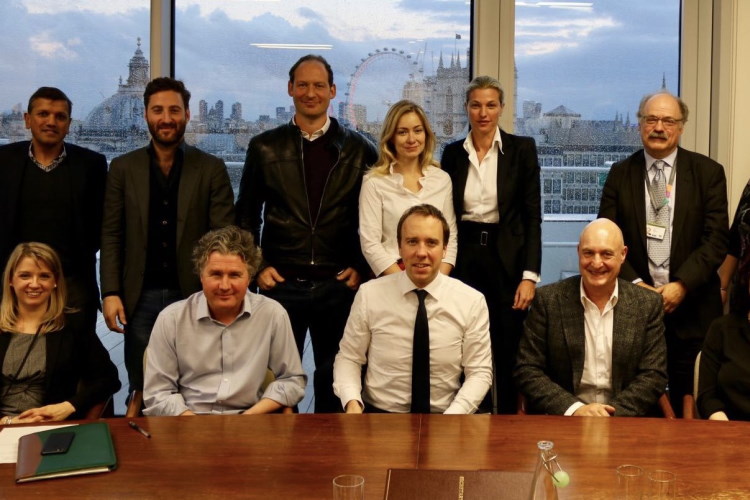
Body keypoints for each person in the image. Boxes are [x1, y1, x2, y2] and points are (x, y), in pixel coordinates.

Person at [235, 54, 377, 412]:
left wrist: (361, 266)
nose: (310, 93)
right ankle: (281, 446)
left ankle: (331, 446)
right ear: (290, 89)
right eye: (302, 85)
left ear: (332, 91)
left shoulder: (359, 149)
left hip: (338, 287)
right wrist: (257, 266)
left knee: (336, 380)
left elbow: (375, 217)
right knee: (276, 383)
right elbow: (246, 215)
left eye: (318, 85)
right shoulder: (264, 147)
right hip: (281, 286)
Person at [100, 77, 235, 393]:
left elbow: (223, 237)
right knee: (143, 387)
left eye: (174, 110)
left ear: (187, 114)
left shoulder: (211, 168)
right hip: (138, 298)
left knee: (199, 385)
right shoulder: (122, 168)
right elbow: (111, 234)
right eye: (157, 110)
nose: (166, 118)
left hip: (194, 295)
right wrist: (110, 292)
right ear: (145, 114)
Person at [598, 91, 728, 412]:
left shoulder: (708, 173)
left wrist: (681, 285)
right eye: (651, 119)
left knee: (690, 402)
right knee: (638, 403)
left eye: (668, 120)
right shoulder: (620, 173)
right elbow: (607, 239)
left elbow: (716, 240)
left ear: (681, 126)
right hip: (634, 308)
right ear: (639, 124)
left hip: (693, 308)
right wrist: (637, 285)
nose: (659, 127)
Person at [441, 76, 542, 413]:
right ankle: (473, 419)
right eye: (476, 105)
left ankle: (509, 424)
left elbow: (532, 217)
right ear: (466, 108)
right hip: (465, 257)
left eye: (490, 105)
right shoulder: (453, 153)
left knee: (508, 345)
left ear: (501, 108)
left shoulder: (521, 150)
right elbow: (447, 215)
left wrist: (529, 276)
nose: (483, 113)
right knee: (466, 345)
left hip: (507, 260)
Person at [333, 204, 492, 414]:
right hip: (380, 416)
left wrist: (453, 417)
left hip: (448, 415)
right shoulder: (369, 295)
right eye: (412, 242)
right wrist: (352, 403)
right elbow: (349, 358)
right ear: (400, 247)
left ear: (445, 249)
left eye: (431, 243)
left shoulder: (471, 301)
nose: (421, 252)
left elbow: (479, 372)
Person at [143, 226, 306, 416]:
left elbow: (292, 380)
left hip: (251, 419)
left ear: (249, 277)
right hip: (188, 420)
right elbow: (158, 393)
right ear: (201, 275)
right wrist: (196, 425)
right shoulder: (171, 319)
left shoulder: (272, 314)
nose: (225, 285)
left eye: (235, 275)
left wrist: (248, 418)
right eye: (216, 274)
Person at [514, 219, 667, 416]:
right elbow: (527, 369)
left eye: (606, 254)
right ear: (578, 252)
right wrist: (575, 410)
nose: (596, 263)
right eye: (588, 253)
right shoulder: (548, 300)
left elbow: (654, 375)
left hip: (624, 420)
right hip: (564, 420)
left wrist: (609, 415)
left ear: (623, 254)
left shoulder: (647, 304)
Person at [0, 87, 107, 332]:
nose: (51, 121)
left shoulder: (92, 165)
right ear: (28, 119)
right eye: (43, 114)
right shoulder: (3, 162)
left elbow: (102, 226)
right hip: (12, 285)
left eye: (60, 116)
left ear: (69, 124)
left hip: (72, 286)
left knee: (76, 353)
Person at [0, 243, 120, 425]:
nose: (34, 284)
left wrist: (68, 406)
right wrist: (7, 422)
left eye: (44, 276)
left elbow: (108, 379)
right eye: (25, 275)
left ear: (55, 281)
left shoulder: (73, 326)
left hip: (52, 429)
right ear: (10, 280)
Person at [359, 99, 457, 277]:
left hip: (435, 277)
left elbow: (450, 238)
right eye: (402, 132)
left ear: (426, 134)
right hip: (390, 277)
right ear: (391, 137)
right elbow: (370, 244)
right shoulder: (374, 182)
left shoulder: (442, 180)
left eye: (417, 130)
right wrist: (404, 283)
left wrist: (437, 282)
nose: (412, 139)